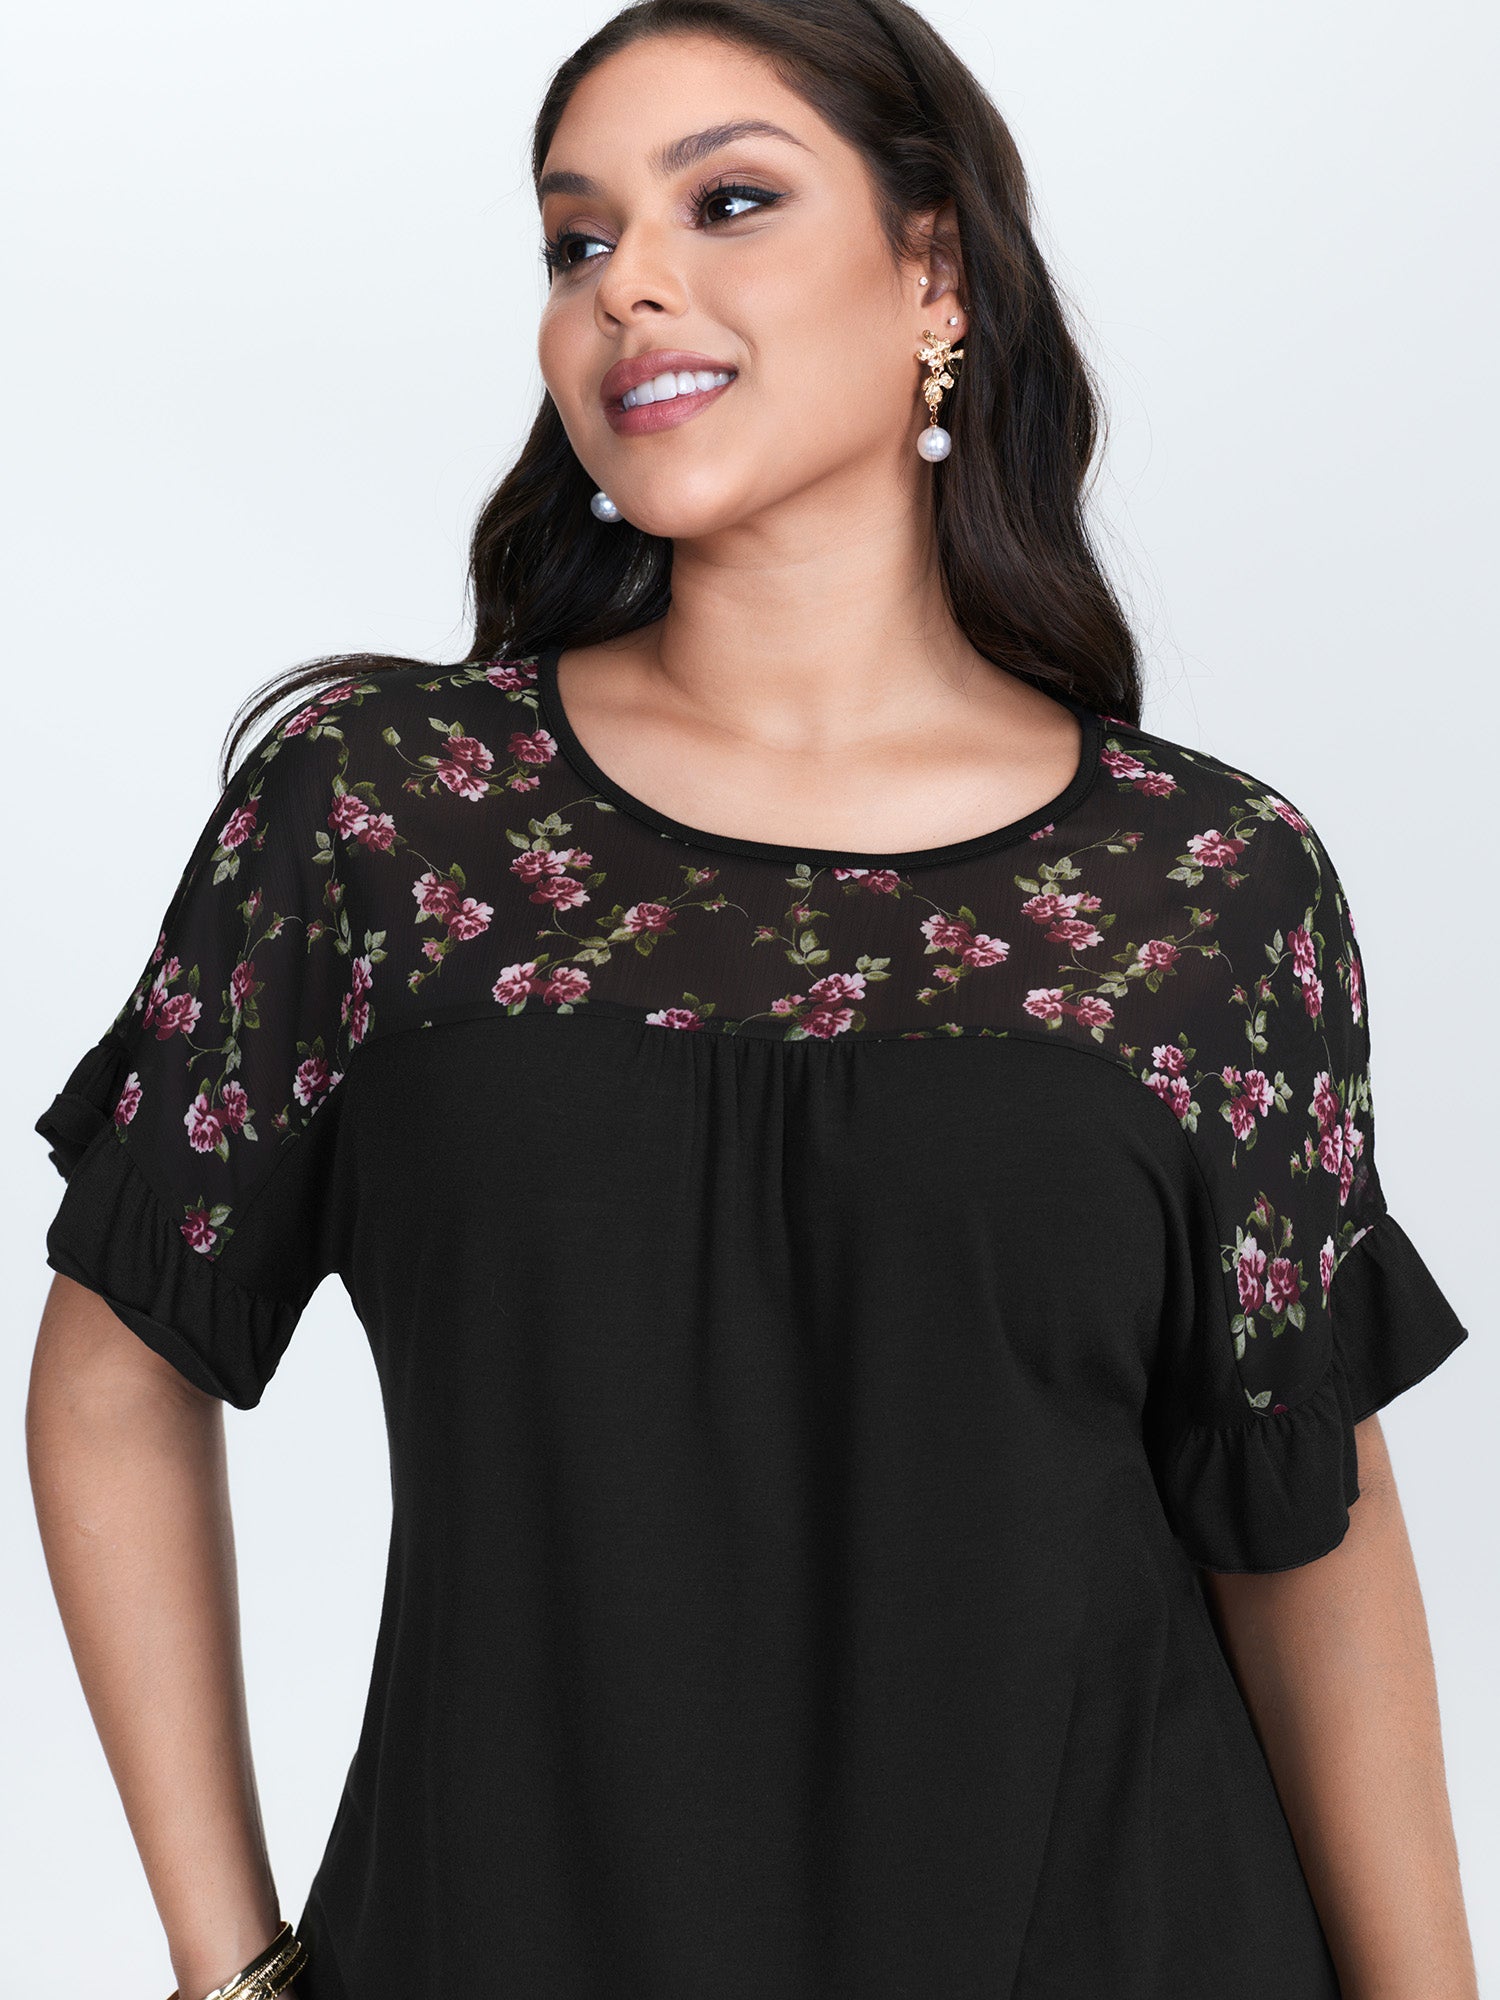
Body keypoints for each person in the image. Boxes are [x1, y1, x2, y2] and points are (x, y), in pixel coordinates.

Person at [25, 2, 1480, 1995]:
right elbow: (115, 1377)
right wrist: (235, 1972)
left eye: (725, 202)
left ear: (936, 273)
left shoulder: (1207, 885)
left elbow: (1307, 1517)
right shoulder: (385, 816)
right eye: (575, 239)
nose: (626, 282)